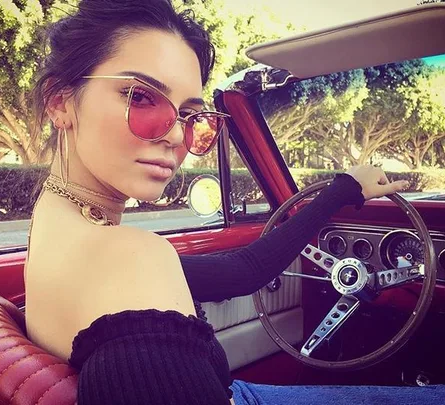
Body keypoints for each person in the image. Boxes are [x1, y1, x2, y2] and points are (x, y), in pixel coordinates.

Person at [25, 1, 442, 404]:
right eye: (140, 97)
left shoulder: (56, 225)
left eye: (190, 116)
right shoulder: (127, 256)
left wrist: (343, 189)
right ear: (60, 101)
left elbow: (242, 273)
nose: (175, 137)